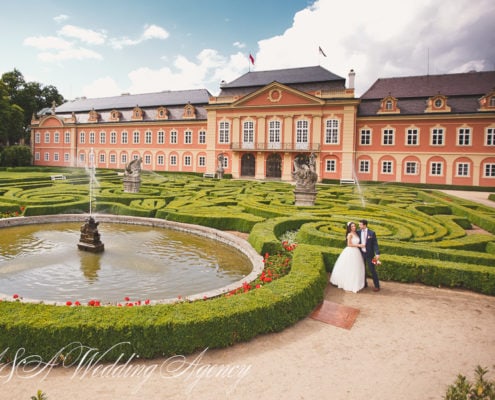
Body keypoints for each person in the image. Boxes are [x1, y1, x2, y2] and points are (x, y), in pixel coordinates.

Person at [329, 221, 366, 293]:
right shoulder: (349, 234)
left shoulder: (356, 233)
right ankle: (348, 284)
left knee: (356, 268)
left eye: (354, 226)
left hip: (356, 252)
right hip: (350, 251)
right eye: (352, 226)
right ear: (349, 228)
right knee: (349, 267)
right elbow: (349, 244)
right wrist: (359, 245)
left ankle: (356, 283)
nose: (354, 227)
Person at [358, 219, 381, 292]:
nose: (359, 226)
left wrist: (377, 253)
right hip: (361, 254)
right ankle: (364, 284)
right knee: (362, 269)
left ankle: (377, 286)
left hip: (370, 255)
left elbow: (375, 244)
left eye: (360, 224)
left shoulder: (372, 233)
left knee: (372, 270)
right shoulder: (358, 232)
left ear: (364, 225)